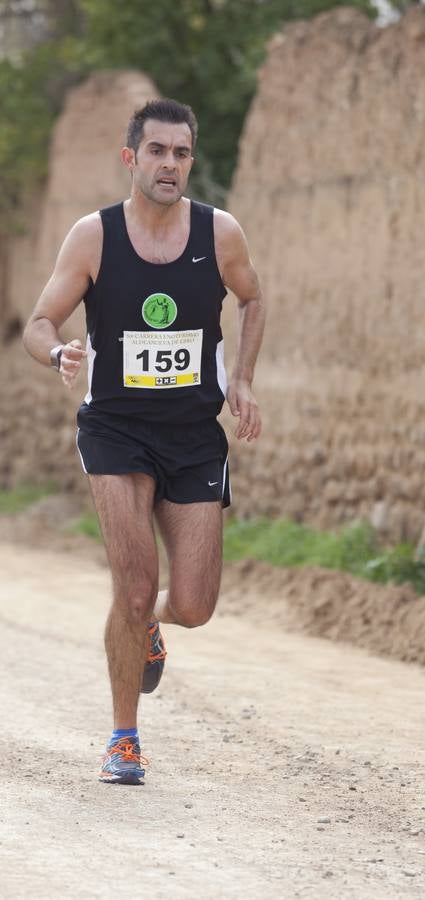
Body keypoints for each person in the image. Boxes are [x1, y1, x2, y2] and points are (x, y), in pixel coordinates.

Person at [23, 98, 265, 785]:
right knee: (132, 589)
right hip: (116, 431)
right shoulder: (93, 237)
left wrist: (240, 379)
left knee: (192, 605)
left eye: (181, 153)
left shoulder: (218, 234)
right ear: (131, 158)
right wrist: (59, 353)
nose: (169, 164)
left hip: (193, 435)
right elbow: (39, 321)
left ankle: (153, 627)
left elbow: (252, 297)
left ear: (191, 161)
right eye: (156, 151)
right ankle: (123, 737)